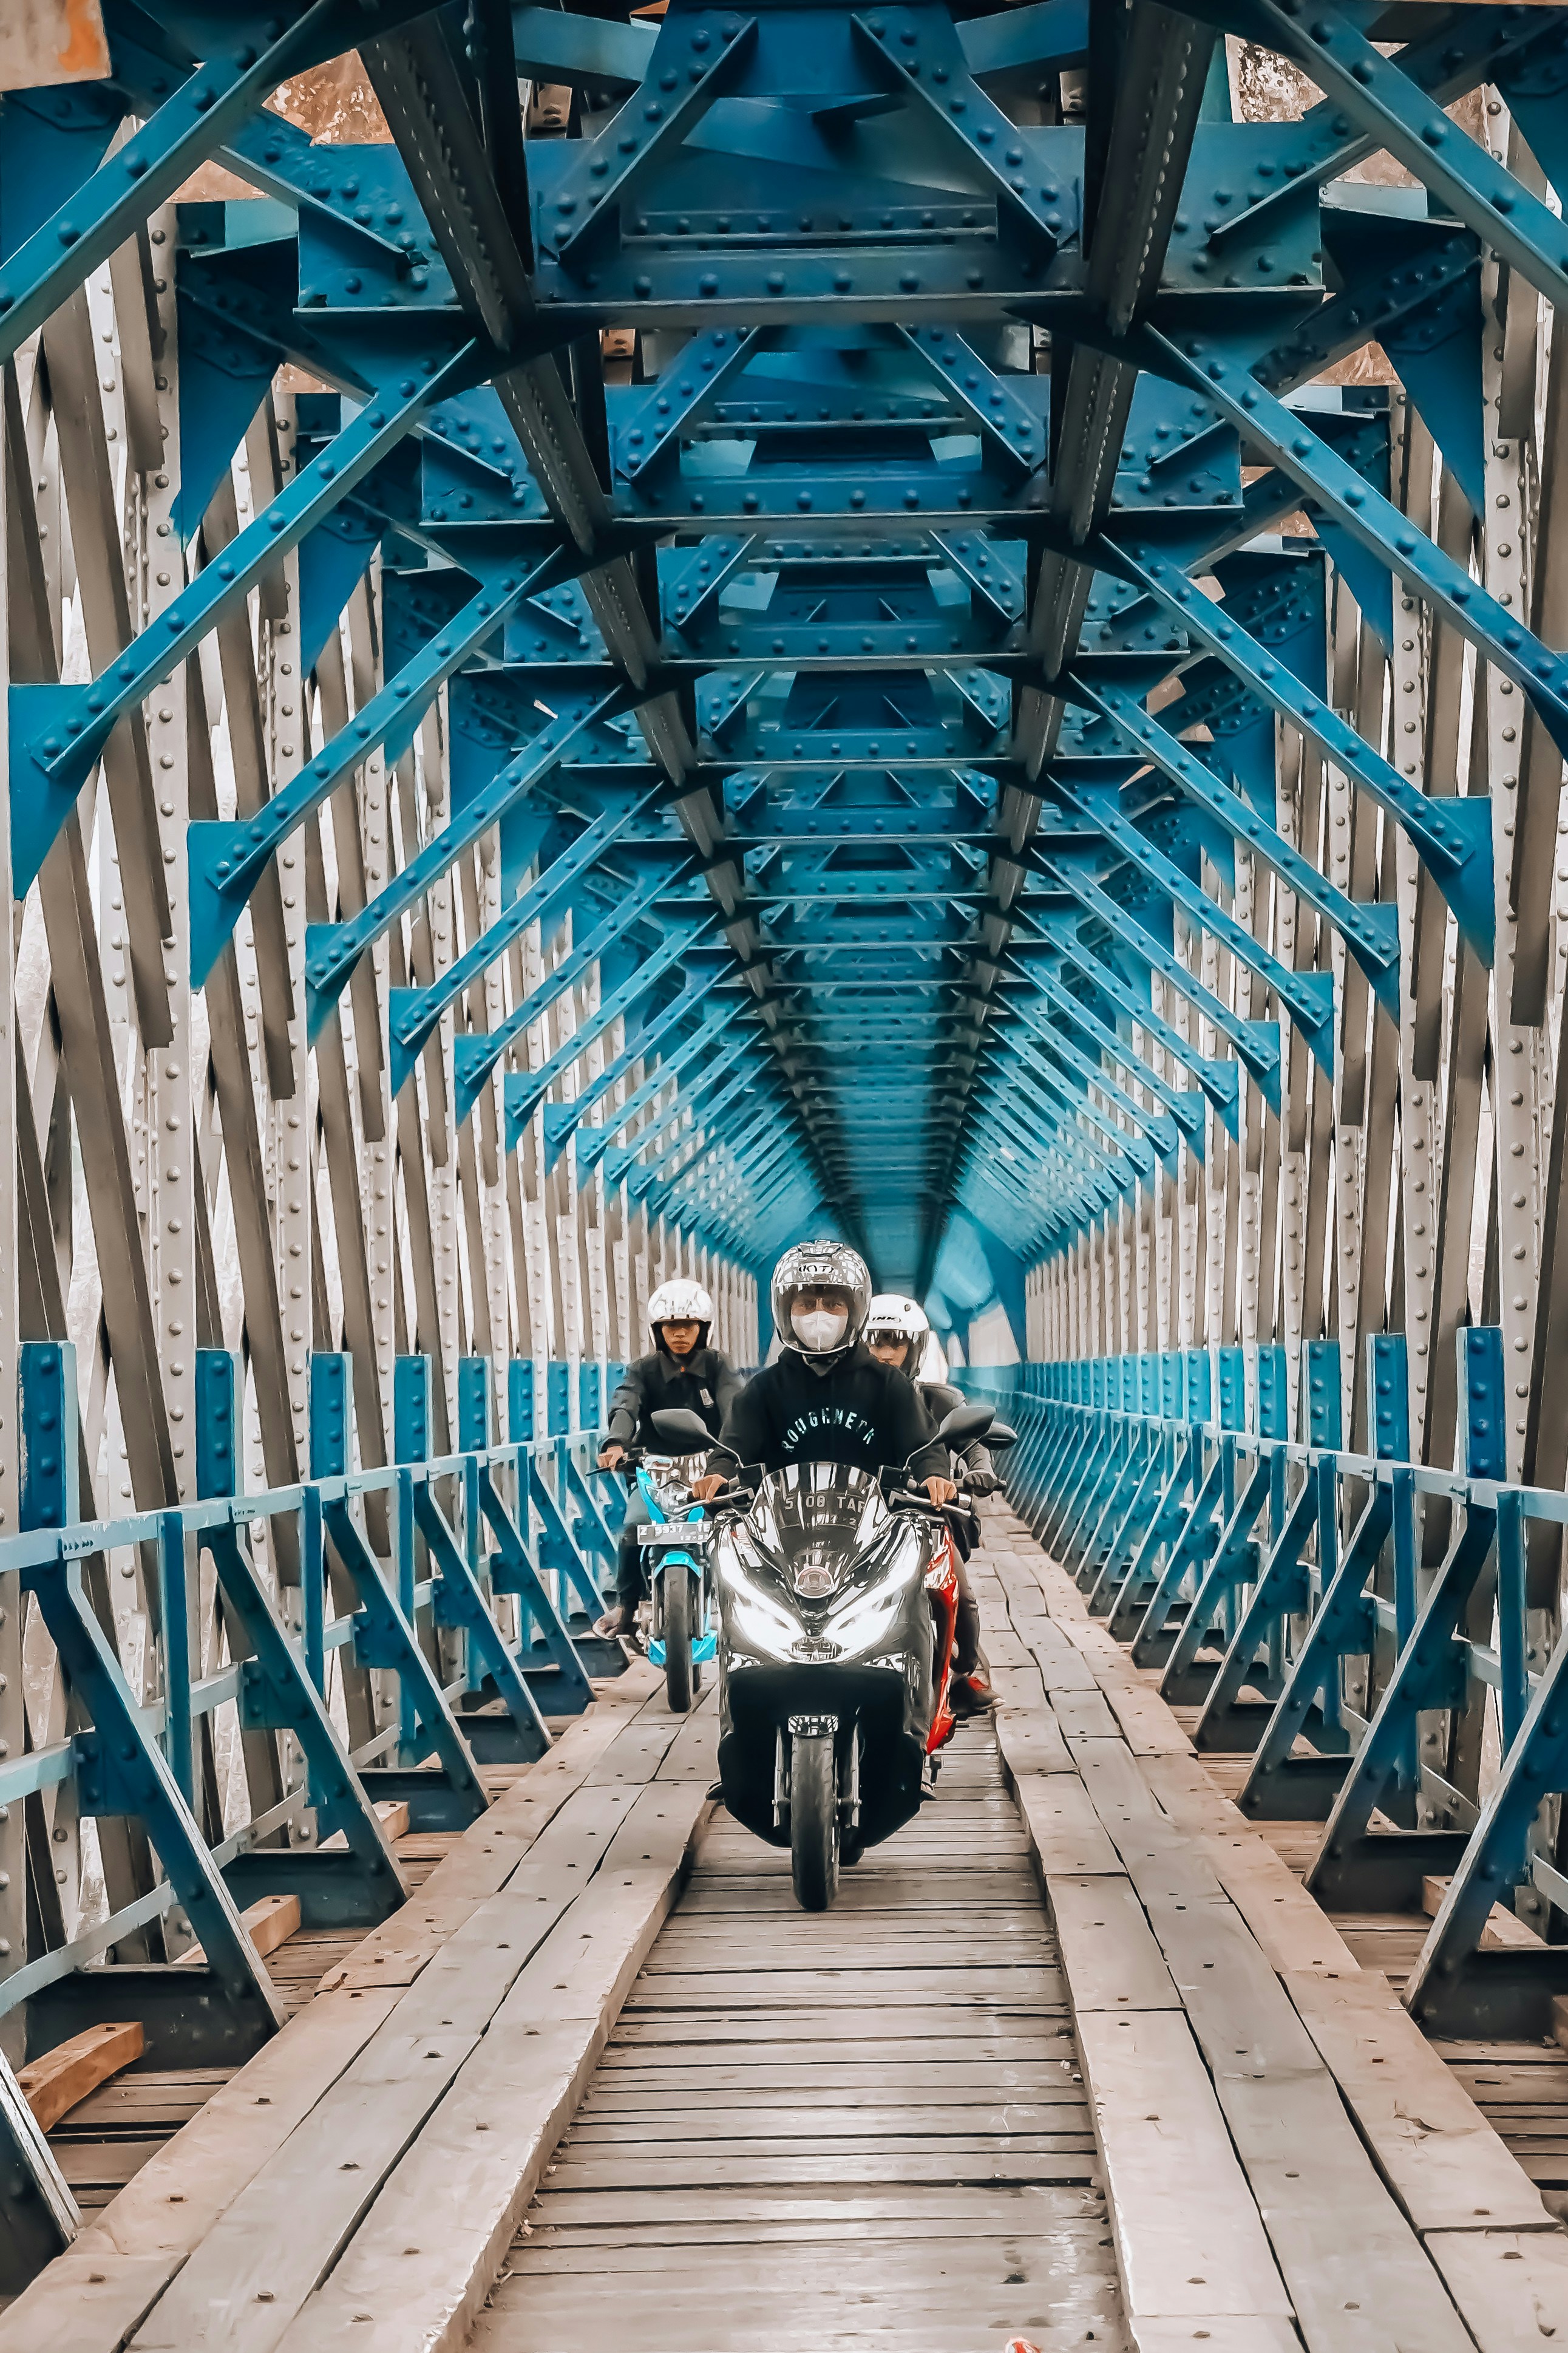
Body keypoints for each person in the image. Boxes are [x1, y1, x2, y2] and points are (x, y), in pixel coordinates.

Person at [691, 1238, 957, 1506]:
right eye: (807, 1305)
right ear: (786, 1312)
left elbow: (924, 1446)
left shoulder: (888, 1384)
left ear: (854, 1312)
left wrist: (933, 1475)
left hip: (876, 1529)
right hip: (784, 1530)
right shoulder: (764, 1389)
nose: (819, 1316)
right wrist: (718, 1473)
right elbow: (733, 1448)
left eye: (832, 1305)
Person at [865, 1292, 997, 1715]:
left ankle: (964, 1674)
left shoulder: (937, 1400)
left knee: (962, 1593)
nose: (885, 1353)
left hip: (922, 1519)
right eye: (875, 1341)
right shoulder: (842, 1403)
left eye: (895, 1342)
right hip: (857, 1520)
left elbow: (972, 1441)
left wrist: (979, 1470)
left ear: (915, 1347)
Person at [594, 1279, 743, 1640]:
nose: (679, 1334)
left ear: (702, 1328)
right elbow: (627, 1402)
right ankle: (626, 1606)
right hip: (656, 1468)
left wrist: (738, 1444)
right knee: (634, 1528)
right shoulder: (643, 1370)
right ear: (658, 1331)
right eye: (670, 1326)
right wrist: (617, 1441)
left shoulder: (719, 1365)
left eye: (688, 1326)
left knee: (738, 1527)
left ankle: (745, 1602)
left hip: (711, 1468)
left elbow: (735, 1406)